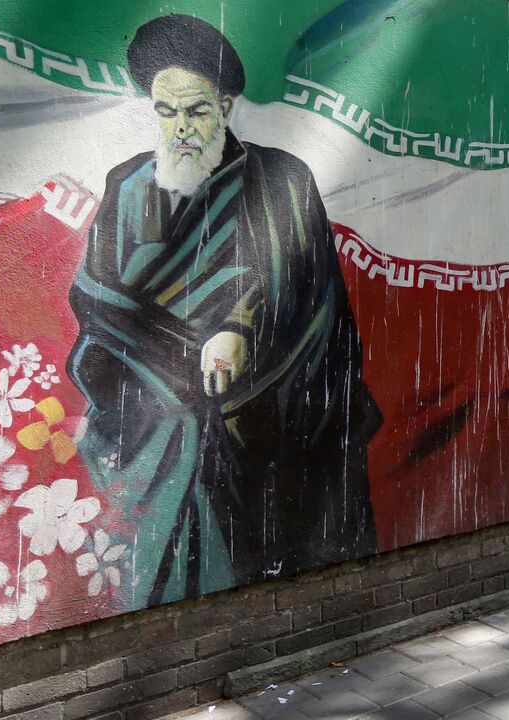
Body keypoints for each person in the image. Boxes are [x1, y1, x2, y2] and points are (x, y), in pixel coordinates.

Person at [68, 14, 381, 608]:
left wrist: (240, 326)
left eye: (198, 110)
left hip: (270, 392)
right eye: (167, 112)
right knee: (180, 435)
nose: (181, 128)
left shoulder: (281, 179)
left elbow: (308, 295)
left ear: (228, 105)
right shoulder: (128, 185)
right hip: (151, 392)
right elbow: (97, 295)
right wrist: (176, 356)